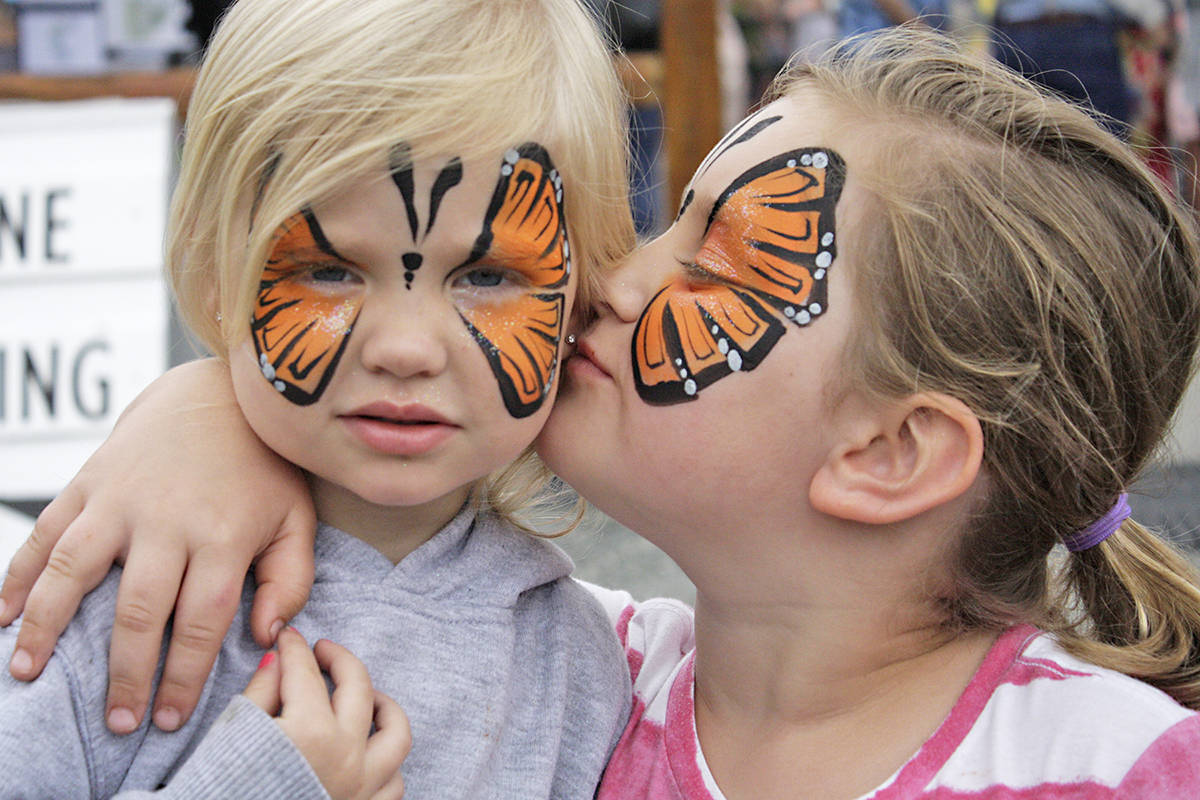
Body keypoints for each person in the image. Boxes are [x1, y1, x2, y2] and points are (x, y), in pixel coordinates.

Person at [8, 27, 1200, 797]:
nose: (612, 274)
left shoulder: (1122, 769)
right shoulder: (608, 674)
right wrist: (209, 398)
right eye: (668, 212)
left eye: (717, 257)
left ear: (889, 448)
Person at [0, 0, 637, 796]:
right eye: (328, 269)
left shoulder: (583, 660)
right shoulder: (134, 588)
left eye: (486, 277)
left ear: (582, 298)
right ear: (214, 272)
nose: (405, 347)